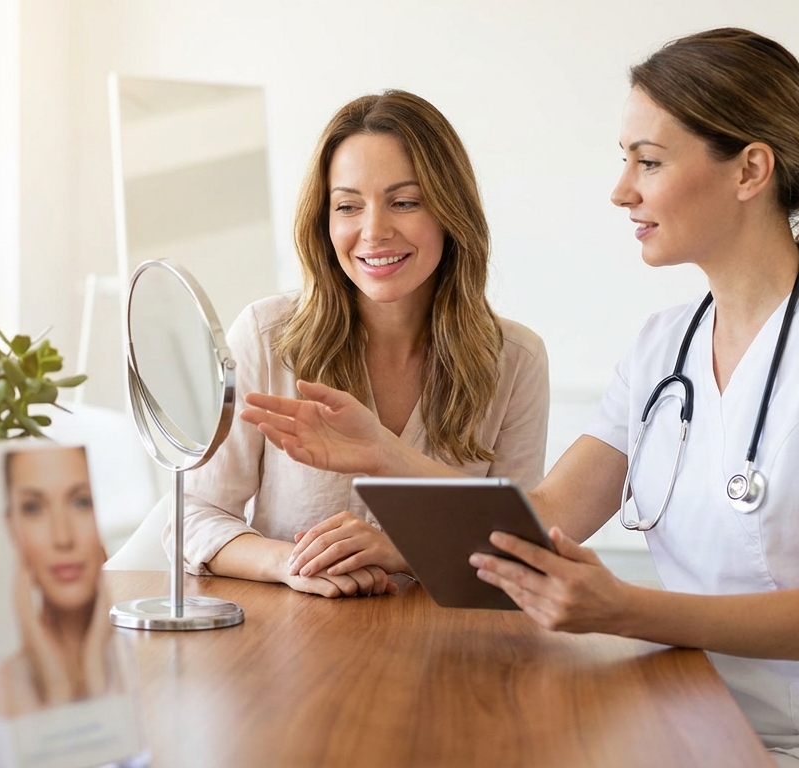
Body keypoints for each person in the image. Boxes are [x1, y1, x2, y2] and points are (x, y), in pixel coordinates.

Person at [242, 29, 799, 767]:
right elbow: (543, 519)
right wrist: (384, 452)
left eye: (648, 162)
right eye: (623, 161)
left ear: (751, 169)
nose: (622, 190)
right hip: (695, 715)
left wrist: (621, 608)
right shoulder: (664, 347)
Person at [171, 89, 550, 598]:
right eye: (348, 206)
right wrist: (293, 563)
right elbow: (193, 515)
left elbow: (519, 550)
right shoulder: (265, 336)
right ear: (324, 222)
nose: (374, 231)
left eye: (405, 202)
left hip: (449, 653)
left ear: (449, 212)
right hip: (292, 651)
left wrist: (401, 548)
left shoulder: (515, 361)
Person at [0, 445, 115, 718]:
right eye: (34, 508)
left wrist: (95, 673)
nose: (62, 537)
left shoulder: (143, 670)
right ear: (12, 527)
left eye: (81, 502)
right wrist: (58, 686)